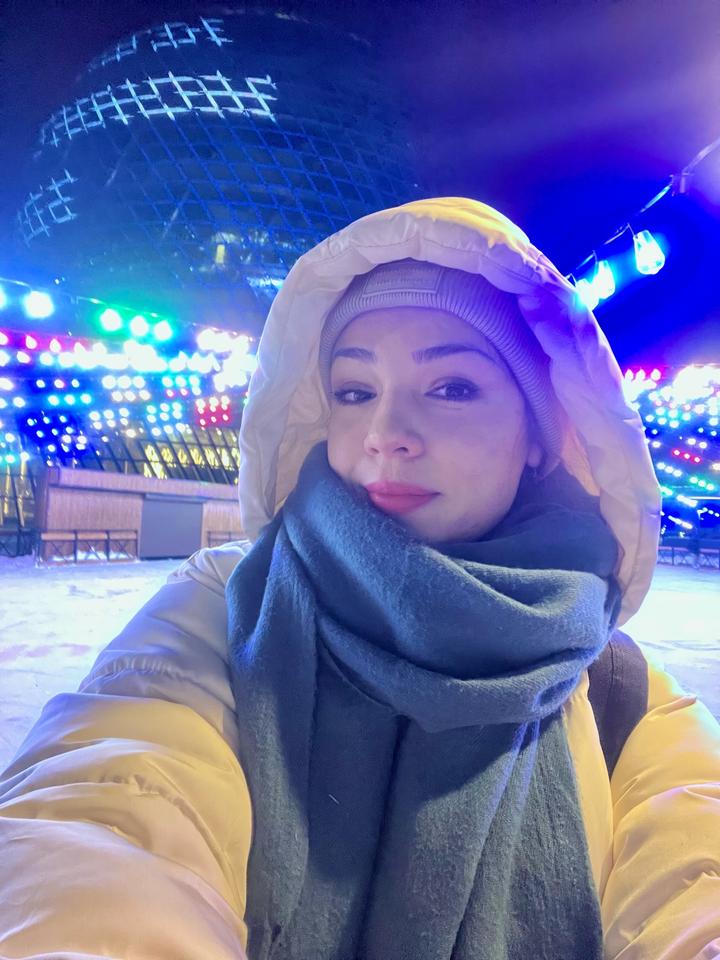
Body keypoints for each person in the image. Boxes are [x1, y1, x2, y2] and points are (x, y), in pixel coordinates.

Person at [1, 197, 719, 960]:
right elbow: (108, 816)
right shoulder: (220, 615)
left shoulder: (622, 697)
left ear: (541, 434)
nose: (385, 435)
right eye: (354, 392)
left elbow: (693, 881)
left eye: (452, 388)